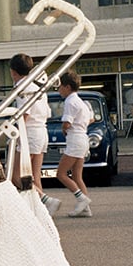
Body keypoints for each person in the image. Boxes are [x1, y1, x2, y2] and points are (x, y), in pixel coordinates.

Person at [9, 53, 60, 216]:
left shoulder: (23, 87)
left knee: (16, 176)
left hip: (29, 132)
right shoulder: (37, 86)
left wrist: (14, 131)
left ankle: (45, 200)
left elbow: (25, 114)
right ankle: (40, 211)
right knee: (34, 176)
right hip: (41, 131)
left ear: (13, 71)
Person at [57, 71, 93, 217]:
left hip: (74, 140)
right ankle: (85, 209)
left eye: (60, 87)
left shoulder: (70, 102)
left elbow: (66, 123)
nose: (59, 90)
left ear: (67, 87)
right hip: (83, 138)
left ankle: (82, 199)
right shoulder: (81, 102)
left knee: (61, 174)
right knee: (77, 176)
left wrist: (64, 130)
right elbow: (91, 119)